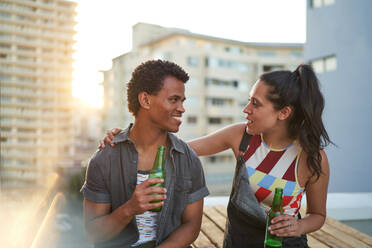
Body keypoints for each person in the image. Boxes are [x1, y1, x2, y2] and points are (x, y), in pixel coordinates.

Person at [101, 64, 331, 247]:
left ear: (284, 112)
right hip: (238, 242)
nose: (246, 109)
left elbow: (317, 215)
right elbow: (180, 148)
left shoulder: (311, 158)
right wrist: (125, 137)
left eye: (255, 104)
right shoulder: (242, 136)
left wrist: (298, 227)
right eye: (249, 100)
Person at [82, 60, 209, 248]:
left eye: (182, 101)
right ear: (146, 100)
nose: (182, 108)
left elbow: (192, 224)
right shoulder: (105, 159)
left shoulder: (188, 159)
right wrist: (129, 209)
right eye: (174, 99)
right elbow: (94, 233)